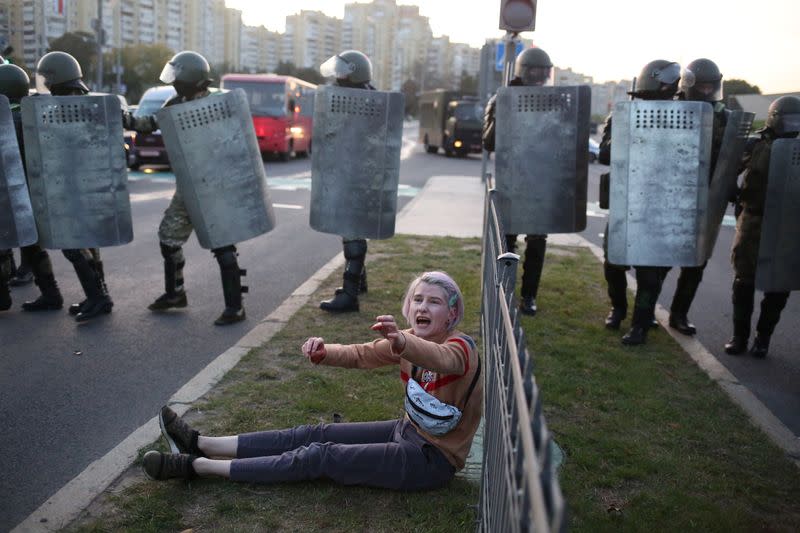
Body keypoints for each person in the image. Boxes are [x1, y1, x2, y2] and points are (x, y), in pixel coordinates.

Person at [142, 271, 482, 491]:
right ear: (409, 308)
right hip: (405, 431)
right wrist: (324, 352)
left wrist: (403, 342)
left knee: (321, 456)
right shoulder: (404, 340)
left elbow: (442, 360)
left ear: (451, 314)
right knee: (311, 434)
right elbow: (362, 353)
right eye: (418, 300)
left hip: (431, 461)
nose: (423, 306)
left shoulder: (460, 348)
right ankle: (203, 443)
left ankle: (196, 467)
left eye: (434, 302)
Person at [124, 51, 247, 325]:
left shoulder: (218, 102)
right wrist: (124, 118)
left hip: (217, 183)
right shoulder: (176, 102)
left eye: (177, 77)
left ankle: (235, 306)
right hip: (189, 185)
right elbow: (149, 124)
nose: (174, 82)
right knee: (168, 238)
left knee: (222, 244)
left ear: (189, 77)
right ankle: (175, 293)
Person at [599, 59, 681, 344]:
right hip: (626, 200)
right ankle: (618, 308)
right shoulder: (623, 114)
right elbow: (604, 154)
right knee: (613, 263)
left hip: (660, 204)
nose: (671, 89)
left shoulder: (682, 115)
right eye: (665, 83)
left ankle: (641, 324)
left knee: (650, 271)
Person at [724, 95, 800, 357]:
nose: (792, 125)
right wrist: (731, 192)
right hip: (754, 219)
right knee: (744, 280)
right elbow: (728, 169)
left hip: (789, 222)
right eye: (788, 119)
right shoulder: (755, 143)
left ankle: (763, 338)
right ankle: (739, 336)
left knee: (779, 285)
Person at [482, 46, 554, 316]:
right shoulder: (502, 98)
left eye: (543, 72)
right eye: (534, 71)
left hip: (539, 182)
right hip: (511, 179)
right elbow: (489, 141)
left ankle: (529, 296)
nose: (539, 77)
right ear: (525, 72)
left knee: (537, 241)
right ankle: (505, 290)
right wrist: (505, 109)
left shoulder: (551, 101)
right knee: (506, 240)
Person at [665, 58, 728, 336]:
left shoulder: (723, 115)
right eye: (700, 87)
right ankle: (644, 316)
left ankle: (679, 314)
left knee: (696, 263)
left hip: (706, 200)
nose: (706, 92)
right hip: (672, 196)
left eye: (709, 87)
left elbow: (730, 155)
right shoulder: (671, 109)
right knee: (659, 260)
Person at [0, 63, 64, 312]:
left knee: (3, 245)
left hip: (7, 190)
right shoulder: (33, 114)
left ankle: (2, 296)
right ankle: (51, 292)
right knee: (32, 246)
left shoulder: (5, 118)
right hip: (33, 189)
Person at [316, 50, 375, 313]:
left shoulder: (362, 101)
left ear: (354, 73)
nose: (338, 76)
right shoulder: (367, 96)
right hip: (353, 171)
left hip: (358, 174)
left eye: (343, 72)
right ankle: (359, 281)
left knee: (352, 230)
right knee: (351, 229)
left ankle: (349, 295)